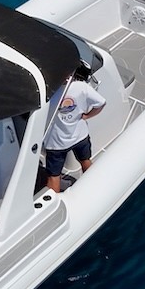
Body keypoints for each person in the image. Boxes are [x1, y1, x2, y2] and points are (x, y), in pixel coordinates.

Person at [43, 64, 105, 193]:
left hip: (56, 143)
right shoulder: (81, 87)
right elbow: (101, 103)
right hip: (80, 136)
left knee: (54, 176)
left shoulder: (48, 91)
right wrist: (87, 116)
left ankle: (56, 203)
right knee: (85, 161)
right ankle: (94, 188)